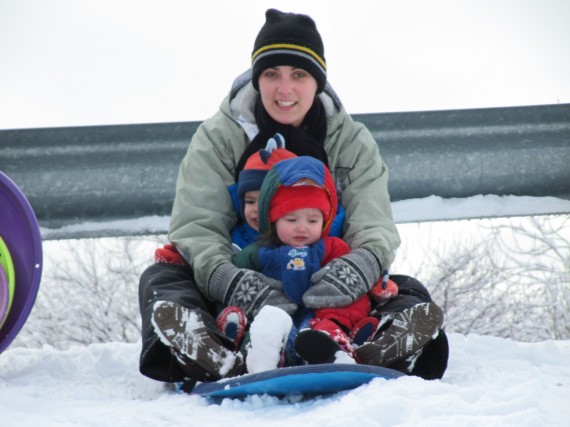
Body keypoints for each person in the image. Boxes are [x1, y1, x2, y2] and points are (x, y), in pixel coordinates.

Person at [139, 8, 448, 387]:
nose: (284, 90)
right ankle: (212, 351)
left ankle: (377, 347)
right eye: (271, 75)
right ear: (258, 79)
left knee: (407, 288)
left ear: (317, 83)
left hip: (328, 277)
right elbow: (196, 225)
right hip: (244, 273)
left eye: (298, 75)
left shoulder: (350, 141)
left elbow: (374, 222)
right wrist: (230, 280)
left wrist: (359, 266)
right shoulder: (218, 137)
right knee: (163, 278)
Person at [234, 155, 399, 371]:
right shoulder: (260, 252)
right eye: (291, 220)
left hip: (321, 311)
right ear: (273, 221)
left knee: (348, 301)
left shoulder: (332, 247)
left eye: (312, 220)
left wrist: (376, 283)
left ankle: (332, 345)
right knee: (269, 322)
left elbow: (354, 273)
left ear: (325, 221)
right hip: (282, 312)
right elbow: (236, 273)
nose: (302, 227)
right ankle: (269, 354)